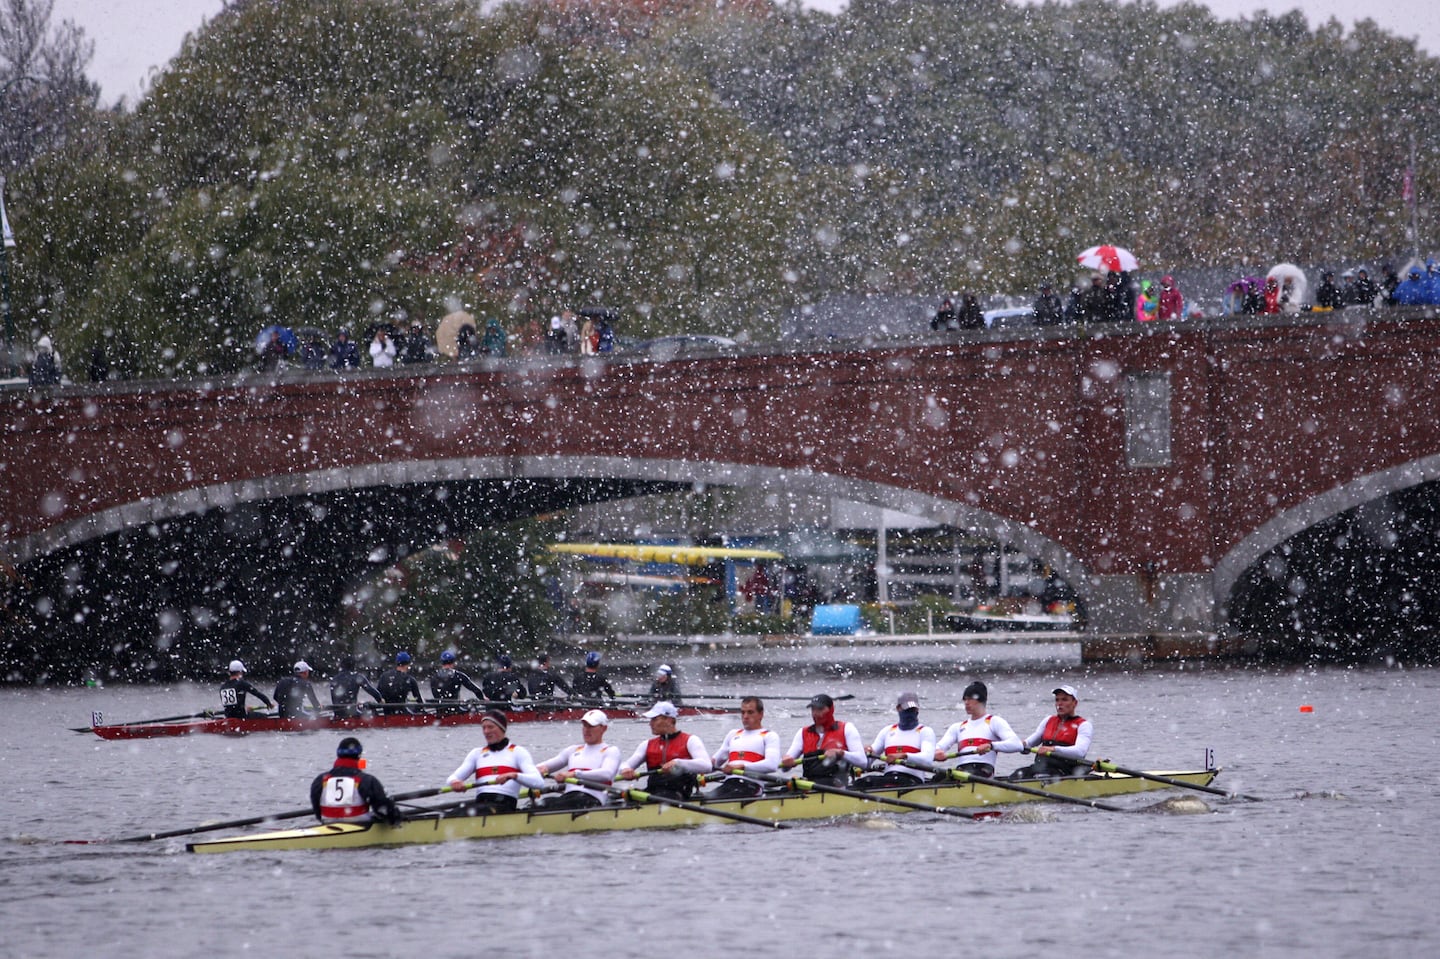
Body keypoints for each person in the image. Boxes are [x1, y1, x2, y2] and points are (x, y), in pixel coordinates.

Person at [445, 710, 544, 815]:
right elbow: (452, 778)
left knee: (465, 813)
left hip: (504, 806)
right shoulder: (477, 754)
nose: (486, 731)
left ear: (502, 728)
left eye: (490, 727)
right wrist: (455, 782)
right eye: (484, 728)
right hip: (481, 804)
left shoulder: (518, 752)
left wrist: (514, 775)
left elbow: (539, 782)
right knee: (451, 814)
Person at [617, 701, 710, 801]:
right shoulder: (647, 744)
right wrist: (625, 770)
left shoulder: (691, 740)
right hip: (653, 793)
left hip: (678, 794)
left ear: (669, 720)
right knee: (617, 796)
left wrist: (678, 762)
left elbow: (706, 766)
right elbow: (625, 764)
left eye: (654, 719)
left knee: (663, 796)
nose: (650, 724)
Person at [535, 708, 622, 809]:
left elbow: (607, 774)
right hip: (569, 797)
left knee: (558, 805)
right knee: (539, 803)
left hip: (592, 799)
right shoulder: (573, 750)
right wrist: (539, 769)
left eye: (591, 726)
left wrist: (575, 774)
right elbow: (546, 765)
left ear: (604, 728)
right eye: (584, 725)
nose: (586, 730)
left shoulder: (610, 751)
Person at [934, 681, 1023, 778]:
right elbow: (940, 746)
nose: (966, 703)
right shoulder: (958, 727)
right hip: (962, 771)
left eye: (970, 699)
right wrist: (935, 752)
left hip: (983, 771)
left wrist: (991, 746)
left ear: (981, 700)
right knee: (937, 777)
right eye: (965, 699)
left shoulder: (994, 722)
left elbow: (1017, 744)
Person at [779, 693, 867, 788]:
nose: (816, 713)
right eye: (813, 710)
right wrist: (786, 763)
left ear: (831, 710)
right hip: (810, 785)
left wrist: (841, 753)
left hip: (837, 787)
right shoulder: (803, 733)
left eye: (820, 709)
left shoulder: (847, 728)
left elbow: (863, 762)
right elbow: (784, 769)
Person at [311, 737, 403, 825]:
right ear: (359, 756)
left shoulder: (320, 780)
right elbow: (383, 811)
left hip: (327, 826)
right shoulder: (367, 780)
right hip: (359, 827)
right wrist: (395, 816)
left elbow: (318, 813)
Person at [855, 691, 936, 790]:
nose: (910, 713)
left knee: (884, 782)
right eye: (907, 709)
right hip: (889, 778)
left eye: (913, 709)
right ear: (898, 708)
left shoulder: (925, 731)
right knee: (861, 782)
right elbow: (866, 763)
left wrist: (904, 755)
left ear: (917, 710)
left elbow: (927, 759)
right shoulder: (887, 731)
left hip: (912, 781)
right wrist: (865, 752)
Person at [1012, 684, 1094, 779]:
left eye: (1064, 700)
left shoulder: (1083, 725)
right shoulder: (1048, 720)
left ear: (1075, 703)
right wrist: (1022, 745)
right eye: (1057, 700)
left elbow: (1080, 751)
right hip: (1040, 768)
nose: (1059, 703)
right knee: (1017, 774)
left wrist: (1053, 749)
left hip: (1064, 772)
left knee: (1041, 776)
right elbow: (1030, 742)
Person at [708, 696, 781, 799]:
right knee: (703, 797)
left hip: (751, 786)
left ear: (761, 714)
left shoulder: (769, 735)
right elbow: (714, 762)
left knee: (713, 800)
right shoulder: (733, 734)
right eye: (743, 712)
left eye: (750, 712)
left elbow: (772, 765)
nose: (745, 716)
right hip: (729, 784)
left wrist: (742, 767)